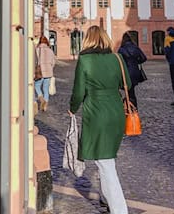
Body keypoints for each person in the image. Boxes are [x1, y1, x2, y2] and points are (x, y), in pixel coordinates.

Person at [69, 25, 129, 214]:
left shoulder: (85, 60)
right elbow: (126, 81)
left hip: (96, 112)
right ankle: (106, 199)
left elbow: (79, 90)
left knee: (105, 162)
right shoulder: (117, 58)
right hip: (116, 111)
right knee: (107, 157)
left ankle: (119, 209)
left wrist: (72, 108)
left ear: (88, 39)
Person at [117, 33, 147, 108]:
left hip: (126, 72)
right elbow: (144, 58)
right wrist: (136, 62)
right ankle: (133, 107)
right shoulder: (135, 47)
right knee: (131, 91)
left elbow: (118, 61)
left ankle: (130, 108)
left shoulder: (122, 49)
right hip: (135, 72)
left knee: (128, 91)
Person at [34, 36, 57, 112]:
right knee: (46, 89)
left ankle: (41, 99)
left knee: (37, 86)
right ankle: (45, 106)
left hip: (40, 72)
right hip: (48, 72)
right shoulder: (50, 51)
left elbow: (34, 61)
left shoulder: (37, 50)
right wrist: (50, 68)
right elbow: (53, 62)